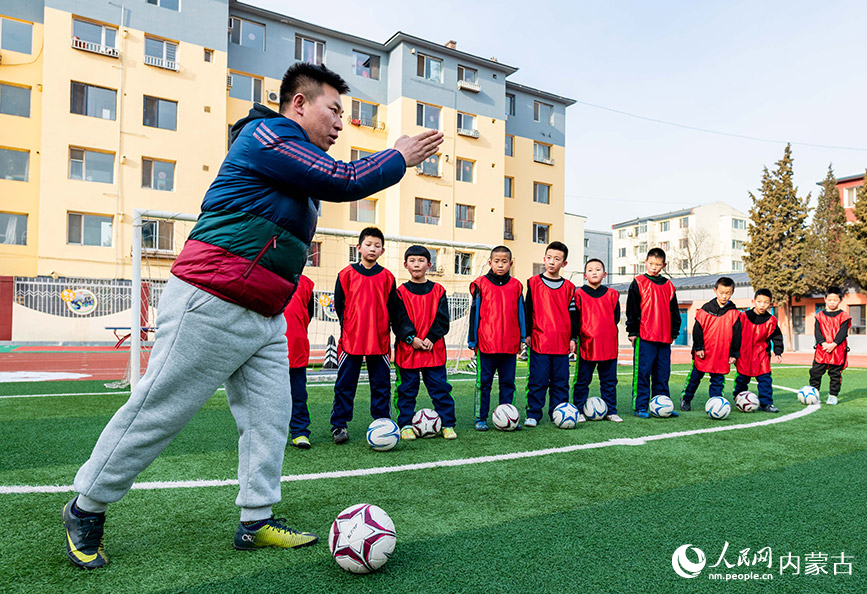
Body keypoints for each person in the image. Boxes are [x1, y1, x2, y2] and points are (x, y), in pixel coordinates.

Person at [63, 62, 443, 569]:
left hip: (266, 316)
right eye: (334, 110)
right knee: (159, 410)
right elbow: (346, 178)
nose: (340, 123)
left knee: (270, 420)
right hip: (211, 297)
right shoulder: (266, 134)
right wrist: (399, 154)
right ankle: (86, 506)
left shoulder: (296, 162)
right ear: (299, 104)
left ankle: (255, 520)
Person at [330, 227, 414, 444]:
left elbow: (394, 309)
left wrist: (405, 334)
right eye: (368, 244)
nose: (372, 249)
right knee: (345, 384)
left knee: (381, 385)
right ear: (359, 248)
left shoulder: (387, 277)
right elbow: (340, 306)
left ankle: (382, 421)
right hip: (352, 340)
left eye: (377, 246)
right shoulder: (346, 274)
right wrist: (350, 326)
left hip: (379, 341)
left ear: (382, 250)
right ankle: (339, 424)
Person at [392, 245, 457, 440]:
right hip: (408, 351)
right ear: (405, 265)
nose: (416, 264)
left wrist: (431, 338)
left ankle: (447, 424)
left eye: (421, 260)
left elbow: (443, 319)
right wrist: (411, 339)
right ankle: (405, 424)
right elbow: (398, 320)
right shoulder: (400, 292)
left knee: (440, 389)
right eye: (412, 260)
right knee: (406, 390)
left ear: (429, 264)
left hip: (432, 350)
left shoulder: (438, 290)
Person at [468, 246, 526, 431]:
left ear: (511, 263)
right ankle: (480, 417)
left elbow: (521, 313)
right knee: (483, 383)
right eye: (496, 261)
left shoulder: (516, 286)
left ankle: (509, 416)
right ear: (490, 262)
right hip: (486, 344)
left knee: (508, 383)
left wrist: (523, 337)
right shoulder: (480, 283)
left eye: (504, 261)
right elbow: (474, 313)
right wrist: (472, 340)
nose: (500, 265)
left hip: (510, 344)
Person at [523, 241, 577, 426]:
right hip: (540, 341)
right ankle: (533, 414)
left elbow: (574, 315)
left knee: (560, 382)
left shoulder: (570, 287)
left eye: (557, 259)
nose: (552, 262)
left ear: (564, 263)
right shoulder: (533, 283)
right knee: (538, 380)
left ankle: (558, 412)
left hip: (562, 342)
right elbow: (527, 309)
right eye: (549, 258)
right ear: (544, 259)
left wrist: (573, 338)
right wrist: (527, 333)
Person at [626, 248, 681, 418]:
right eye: (651, 264)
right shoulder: (639, 282)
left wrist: (674, 331)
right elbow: (632, 308)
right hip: (645, 337)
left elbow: (674, 311)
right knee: (643, 373)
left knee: (663, 374)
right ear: (645, 263)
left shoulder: (668, 285)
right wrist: (632, 330)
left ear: (664, 266)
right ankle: (640, 406)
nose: (654, 267)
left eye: (658, 265)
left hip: (664, 338)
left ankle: (663, 406)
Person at [572, 258, 622, 422]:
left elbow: (615, 318)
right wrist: (575, 338)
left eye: (598, 269)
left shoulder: (613, 295)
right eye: (590, 270)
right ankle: (578, 410)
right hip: (587, 345)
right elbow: (575, 318)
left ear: (604, 274)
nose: (594, 272)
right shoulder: (578, 294)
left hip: (608, 345)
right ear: (585, 275)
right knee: (582, 381)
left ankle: (611, 410)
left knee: (609, 381)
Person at [680, 277, 741, 410]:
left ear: (732, 293)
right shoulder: (705, 309)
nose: (724, 296)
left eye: (728, 293)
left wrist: (734, 353)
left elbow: (737, 335)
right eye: (721, 292)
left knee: (718, 382)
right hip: (704, 353)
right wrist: (699, 347)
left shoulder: (734, 313)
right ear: (715, 291)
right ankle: (686, 398)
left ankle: (716, 404)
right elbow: (697, 330)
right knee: (694, 378)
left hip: (721, 354)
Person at [733, 288, 783, 413]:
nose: (762, 305)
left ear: (770, 304)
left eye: (766, 302)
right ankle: (738, 398)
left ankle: (766, 404)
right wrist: (733, 353)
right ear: (753, 301)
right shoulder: (743, 317)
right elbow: (735, 335)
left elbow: (777, 337)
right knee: (741, 380)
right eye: (759, 301)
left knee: (765, 380)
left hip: (761, 356)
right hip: (744, 355)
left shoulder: (771, 321)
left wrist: (778, 352)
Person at [284, 274, 315, 448]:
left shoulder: (306, 284)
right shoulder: (266, 275)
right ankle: (266, 435)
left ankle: (300, 431)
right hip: (268, 349)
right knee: (266, 397)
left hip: (296, 347)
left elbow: (307, 315)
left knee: (298, 394)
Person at [809, 287, 851, 405]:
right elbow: (817, 332)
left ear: (840, 300)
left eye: (835, 300)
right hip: (821, 350)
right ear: (825, 299)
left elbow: (843, 332)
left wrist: (834, 344)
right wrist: (823, 343)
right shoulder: (819, 316)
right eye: (830, 299)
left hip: (837, 350)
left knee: (835, 375)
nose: (832, 302)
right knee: (815, 373)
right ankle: (814, 394)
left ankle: (833, 395)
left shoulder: (844, 316)